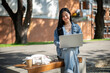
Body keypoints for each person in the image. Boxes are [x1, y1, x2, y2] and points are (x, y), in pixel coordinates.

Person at [54, 8, 82, 73]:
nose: (65, 17)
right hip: (63, 52)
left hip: (74, 51)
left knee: (71, 50)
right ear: (61, 18)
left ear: (69, 14)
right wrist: (62, 44)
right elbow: (56, 41)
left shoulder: (77, 27)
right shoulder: (58, 29)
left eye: (66, 15)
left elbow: (80, 39)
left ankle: (68, 71)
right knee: (70, 51)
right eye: (63, 16)